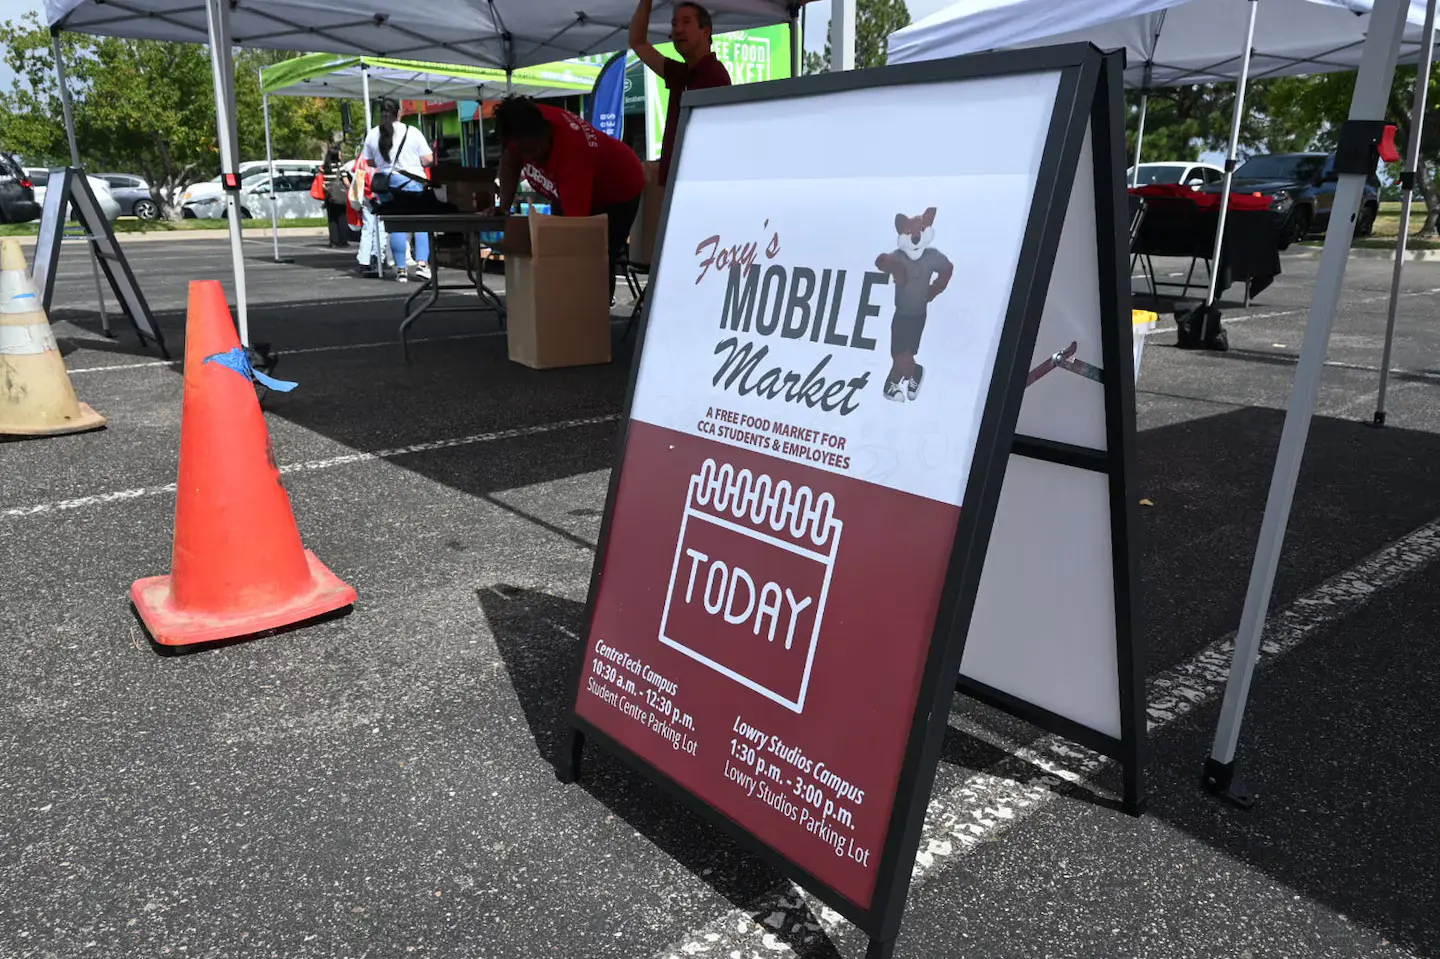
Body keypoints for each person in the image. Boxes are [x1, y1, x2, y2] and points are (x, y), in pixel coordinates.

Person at [489, 97, 643, 304]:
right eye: (523, 151)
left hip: (619, 186)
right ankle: (561, 306)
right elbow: (510, 162)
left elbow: (576, 230)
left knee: (596, 253)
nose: (530, 158)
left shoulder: (573, 154)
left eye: (533, 150)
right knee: (558, 250)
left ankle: (593, 311)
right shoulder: (520, 122)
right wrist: (503, 207)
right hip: (567, 187)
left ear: (544, 133)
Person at [629, 0, 731, 185]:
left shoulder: (714, 76)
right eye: (674, 24)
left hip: (697, 184)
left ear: (705, 31)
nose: (678, 30)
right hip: (679, 184)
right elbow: (638, 42)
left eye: (686, 22)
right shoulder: (681, 73)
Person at [361, 98, 435, 282]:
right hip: (412, 183)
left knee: (396, 226)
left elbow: (369, 161)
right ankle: (422, 264)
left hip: (386, 185)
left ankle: (401, 269)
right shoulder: (412, 132)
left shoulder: (373, 134)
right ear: (399, 113)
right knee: (421, 223)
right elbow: (428, 159)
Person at [321, 139, 350, 249]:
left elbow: (323, 180)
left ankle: (334, 241)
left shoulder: (325, 167)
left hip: (329, 195)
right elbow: (346, 181)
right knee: (342, 218)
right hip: (340, 195)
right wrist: (350, 187)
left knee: (332, 219)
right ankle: (343, 240)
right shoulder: (339, 166)